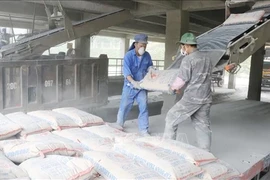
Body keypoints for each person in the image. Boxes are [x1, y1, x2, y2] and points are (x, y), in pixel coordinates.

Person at [163, 32, 213, 152]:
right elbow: (198, 76)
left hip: (192, 98)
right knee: (202, 125)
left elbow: (182, 78)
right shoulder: (207, 58)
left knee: (171, 117)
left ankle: (167, 148)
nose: (182, 48)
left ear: (186, 45)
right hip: (205, 97)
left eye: (182, 46)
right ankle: (205, 152)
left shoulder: (188, 59)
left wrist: (172, 88)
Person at [116, 34, 154, 136]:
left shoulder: (147, 55)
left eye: (145, 45)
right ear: (136, 44)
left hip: (142, 86)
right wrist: (133, 82)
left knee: (144, 107)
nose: (143, 47)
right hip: (130, 86)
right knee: (124, 106)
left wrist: (151, 69)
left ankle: (143, 129)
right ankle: (119, 125)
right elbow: (126, 73)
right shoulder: (128, 56)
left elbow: (150, 66)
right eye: (141, 45)